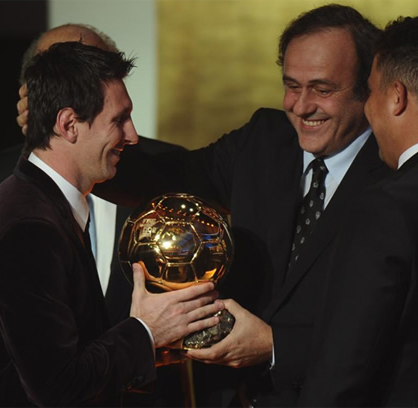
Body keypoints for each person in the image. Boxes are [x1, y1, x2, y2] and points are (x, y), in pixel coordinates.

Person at [90, 5, 390, 406]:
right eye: (291, 85)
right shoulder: (264, 139)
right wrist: (70, 132)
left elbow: (403, 329)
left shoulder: (397, 173)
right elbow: (163, 178)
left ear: (368, 87)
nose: (300, 106)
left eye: (322, 89)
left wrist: (276, 346)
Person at [0, 42, 223, 407]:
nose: (132, 136)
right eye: (119, 120)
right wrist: (145, 331)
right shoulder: (30, 227)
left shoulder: (40, 204)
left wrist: (155, 344)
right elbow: (56, 387)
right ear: (69, 124)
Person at [298, 14, 418, 406]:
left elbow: (341, 374)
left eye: (370, 92)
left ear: (396, 97)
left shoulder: (386, 208)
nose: (368, 110)